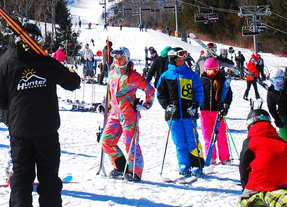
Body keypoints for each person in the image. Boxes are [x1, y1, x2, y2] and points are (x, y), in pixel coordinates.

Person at [0, 22, 81, 207]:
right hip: (45, 129)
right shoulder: (44, 62)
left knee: (22, 176)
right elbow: (72, 81)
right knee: (47, 176)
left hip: (21, 129)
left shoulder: (6, 63)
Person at [100, 47, 155, 181]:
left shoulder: (132, 76)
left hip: (128, 115)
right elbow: (109, 92)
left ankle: (135, 172)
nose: (118, 61)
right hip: (114, 114)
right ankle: (120, 167)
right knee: (106, 140)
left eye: (121, 58)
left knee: (130, 143)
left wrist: (146, 105)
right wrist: (104, 104)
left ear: (127, 58)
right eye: (116, 58)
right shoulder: (112, 73)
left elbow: (150, 90)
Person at [156, 47, 205, 177]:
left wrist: (195, 104)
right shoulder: (166, 76)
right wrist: (166, 106)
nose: (181, 61)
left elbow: (199, 91)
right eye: (178, 59)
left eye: (183, 59)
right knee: (179, 141)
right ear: (172, 59)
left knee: (192, 139)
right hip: (173, 115)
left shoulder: (190, 74)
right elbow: (161, 94)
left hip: (189, 114)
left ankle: (196, 164)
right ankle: (183, 164)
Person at [199, 57, 233, 165]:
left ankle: (224, 157)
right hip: (204, 111)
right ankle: (211, 156)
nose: (211, 73)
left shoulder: (221, 79)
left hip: (217, 112)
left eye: (214, 71)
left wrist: (225, 105)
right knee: (207, 135)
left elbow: (228, 95)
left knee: (221, 134)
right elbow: (197, 94)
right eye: (209, 71)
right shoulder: (201, 80)